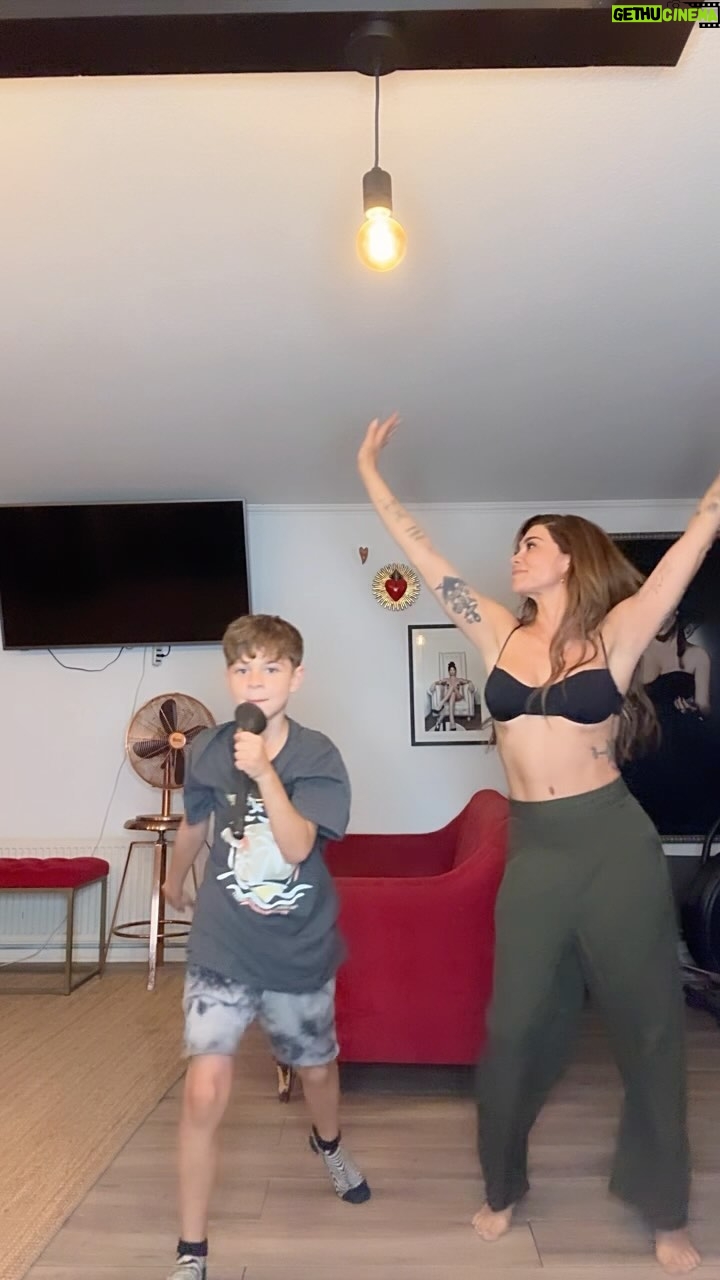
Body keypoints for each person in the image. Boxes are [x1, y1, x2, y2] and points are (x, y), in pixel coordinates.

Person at [358, 412, 720, 1275]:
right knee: (514, 1024)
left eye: (531, 543)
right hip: (539, 851)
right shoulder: (496, 629)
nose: (515, 554)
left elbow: (696, 538)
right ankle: (502, 1182)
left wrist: (711, 507)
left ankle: (666, 1210)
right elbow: (420, 552)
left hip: (613, 845)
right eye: (517, 544)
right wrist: (370, 470)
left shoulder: (619, 633)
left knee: (649, 1025)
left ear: (569, 558)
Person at [162, 613, 370, 1280]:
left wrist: (264, 773)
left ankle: (328, 1144)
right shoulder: (207, 749)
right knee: (203, 1089)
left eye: (271, 667)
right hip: (222, 942)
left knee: (317, 1071)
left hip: (297, 946)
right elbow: (195, 822)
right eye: (242, 668)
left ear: (296, 677)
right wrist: (173, 880)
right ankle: (191, 1252)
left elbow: (300, 845)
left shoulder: (318, 757)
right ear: (229, 677)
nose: (255, 680)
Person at [623, 609, 715, 835]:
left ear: (676, 613)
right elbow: (625, 700)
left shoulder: (697, 655)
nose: (660, 621)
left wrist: (693, 705)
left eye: (666, 615)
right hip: (647, 739)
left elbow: (705, 706)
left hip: (683, 740)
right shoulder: (637, 654)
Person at [430, 661, 472, 731]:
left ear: (455, 671)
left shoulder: (459, 679)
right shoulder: (446, 680)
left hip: (458, 696)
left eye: (453, 670)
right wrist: (434, 683)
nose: (452, 671)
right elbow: (438, 682)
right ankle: (452, 722)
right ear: (449, 672)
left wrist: (470, 683)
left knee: (452, 687)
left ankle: (440, 704)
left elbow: (468, 681)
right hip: (449, 697)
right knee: (452, 694)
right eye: (450, 670)